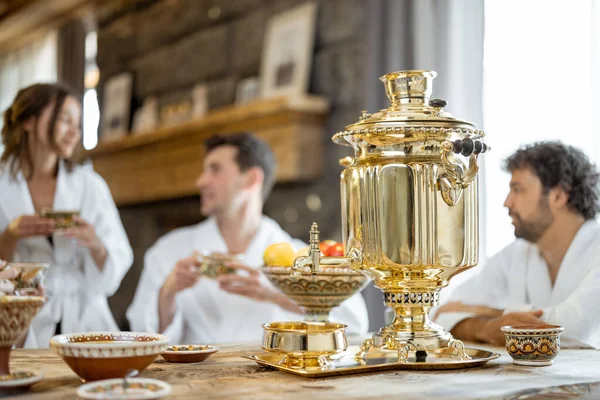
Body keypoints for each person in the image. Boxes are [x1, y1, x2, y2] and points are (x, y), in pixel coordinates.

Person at [127, 133, 369, 344]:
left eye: (215, 169)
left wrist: (278, 293)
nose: (200, 182)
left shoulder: (300, 257)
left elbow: (355, 326)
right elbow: (140, 336)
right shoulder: (169, 250)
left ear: (252, 178)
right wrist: (167, 293)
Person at [0, 83, 133, 348]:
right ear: (28, 121)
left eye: (79, 124)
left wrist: (94, 242)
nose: (75, 132)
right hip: (21, 322)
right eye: (65, 120)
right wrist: (11, 234)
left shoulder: (89, 185)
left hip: (84, 317)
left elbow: (118, 257)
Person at [434, 141, 600, 348]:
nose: (507, 202)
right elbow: (440, 317)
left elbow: (576, 328)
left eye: (517, 189)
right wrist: (487, 328)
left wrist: (495, 313)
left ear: (558, 196)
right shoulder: (515, 256)